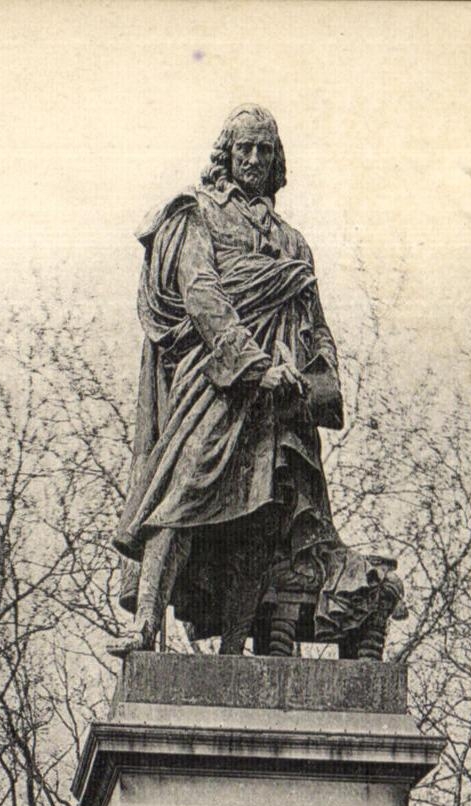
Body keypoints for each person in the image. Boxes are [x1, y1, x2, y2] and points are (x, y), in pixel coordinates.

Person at [110, 104, 347, 655]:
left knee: (260, 523)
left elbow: (316, 326)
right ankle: (147, 625)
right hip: (220, 383)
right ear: (226, 154)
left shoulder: (295, 245)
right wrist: (255, 367)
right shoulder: (200, 216)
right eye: (245, 148)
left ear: (277, 160)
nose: (255, 159)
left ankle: (235, 647)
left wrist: (322, 380)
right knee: (181, 494)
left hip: (281, 400)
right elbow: (202, 296)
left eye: (266, 149)